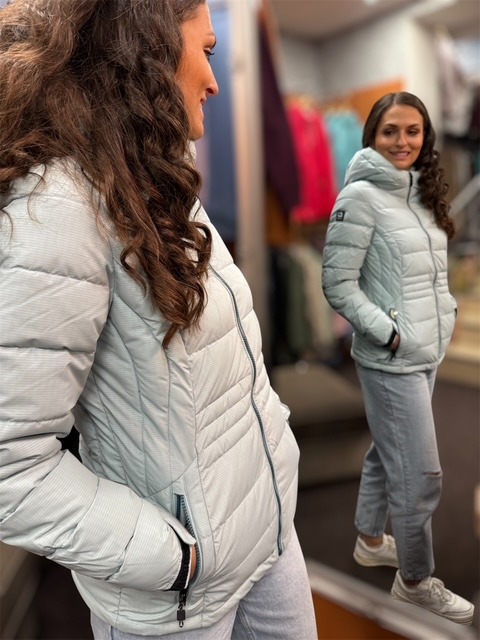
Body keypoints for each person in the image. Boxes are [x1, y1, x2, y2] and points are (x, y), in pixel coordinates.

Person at [0, 1, 318, 638]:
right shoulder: (60, 204)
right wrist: (174, 557)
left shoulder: (158, 181)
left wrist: (276, 460)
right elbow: (10, 464)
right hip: (181, 595)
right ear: (146, 48)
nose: (216, 80)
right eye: (206, 51)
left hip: (268, 530)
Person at [322, 92, 475, 626]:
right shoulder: (360, 197)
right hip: (393, 359)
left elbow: (431, 275)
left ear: (425, 136)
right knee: (421, 472)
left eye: (413, 131)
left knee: (387, 452)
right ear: (372, 135)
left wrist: (446, 312)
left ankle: (370, 540)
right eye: (391, 131)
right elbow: (337, 284)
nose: (403, 141)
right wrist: (388, 333)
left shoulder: (419, 193)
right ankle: (414, 581)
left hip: (424, 349)